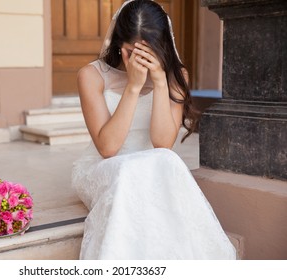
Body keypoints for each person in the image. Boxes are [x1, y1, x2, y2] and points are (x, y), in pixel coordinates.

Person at [71, 0, 236, 260]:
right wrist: (133, 88)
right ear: (118, 44)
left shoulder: (175, 75)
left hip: (154, 167)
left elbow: (162, 144)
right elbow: (108, 148)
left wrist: (160, 82)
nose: (140, 63)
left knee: (167, 160)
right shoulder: (92, 76)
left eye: (148, 54)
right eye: (131, 52)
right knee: (133, 172)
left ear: (162, 47)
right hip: (109, 167)